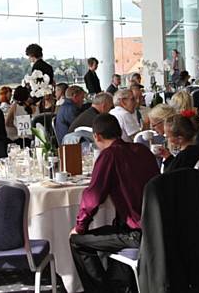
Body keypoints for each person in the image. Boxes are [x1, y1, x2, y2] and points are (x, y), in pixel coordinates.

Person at [69, 114, 159, 293]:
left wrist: (80, 226)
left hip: (138, 233)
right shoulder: (142, 150)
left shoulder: (110, 156)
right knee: (113, 225)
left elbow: (93, 197)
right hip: (158, 226)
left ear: (97, 136)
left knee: (77, 241)